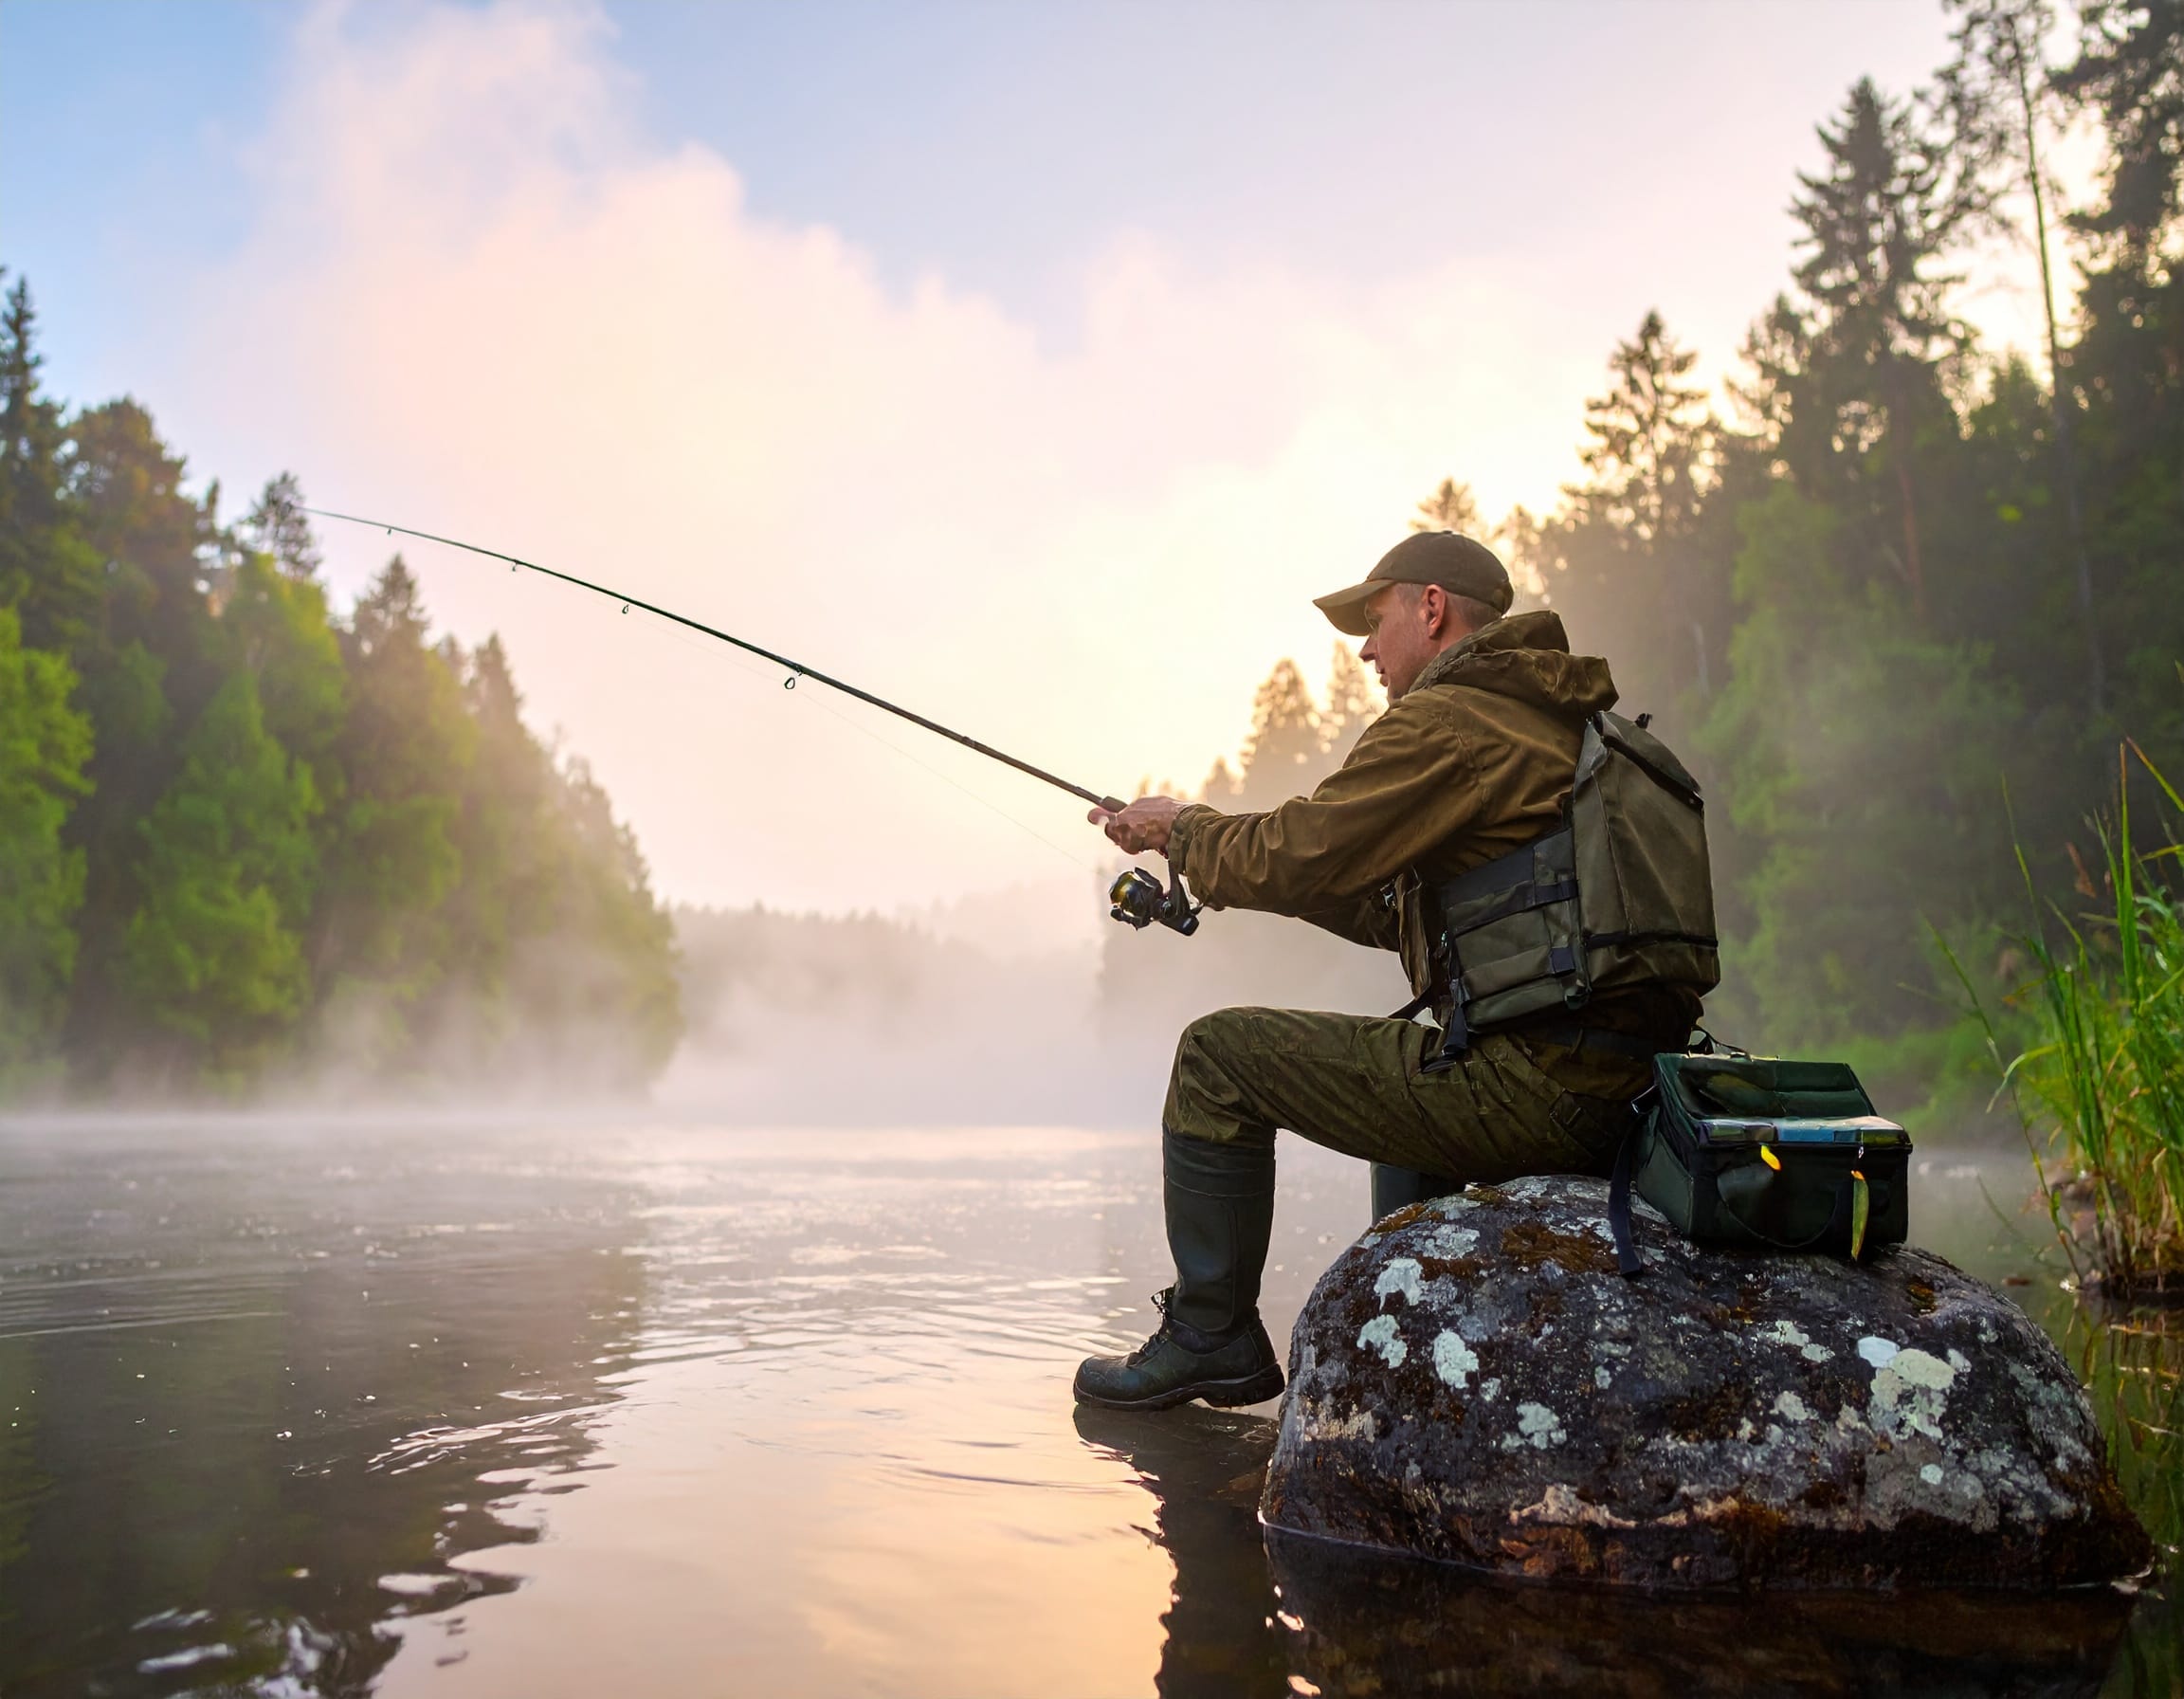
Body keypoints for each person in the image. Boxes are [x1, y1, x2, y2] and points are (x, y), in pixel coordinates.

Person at [1072, 530, 1709, 1412]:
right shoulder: (1551, 721)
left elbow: (1304, 848)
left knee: (1218, 1058)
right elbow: (1395, 910)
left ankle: (1210, 1335)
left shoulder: (1451, 722)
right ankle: (1403, 1316)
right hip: (1625, 1093)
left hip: (1541, 1090)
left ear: (1432, 609)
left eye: (1375, 622)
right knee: (1422, 1062)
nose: (1366, 649)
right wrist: (1253, 875)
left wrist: (1183, 832)